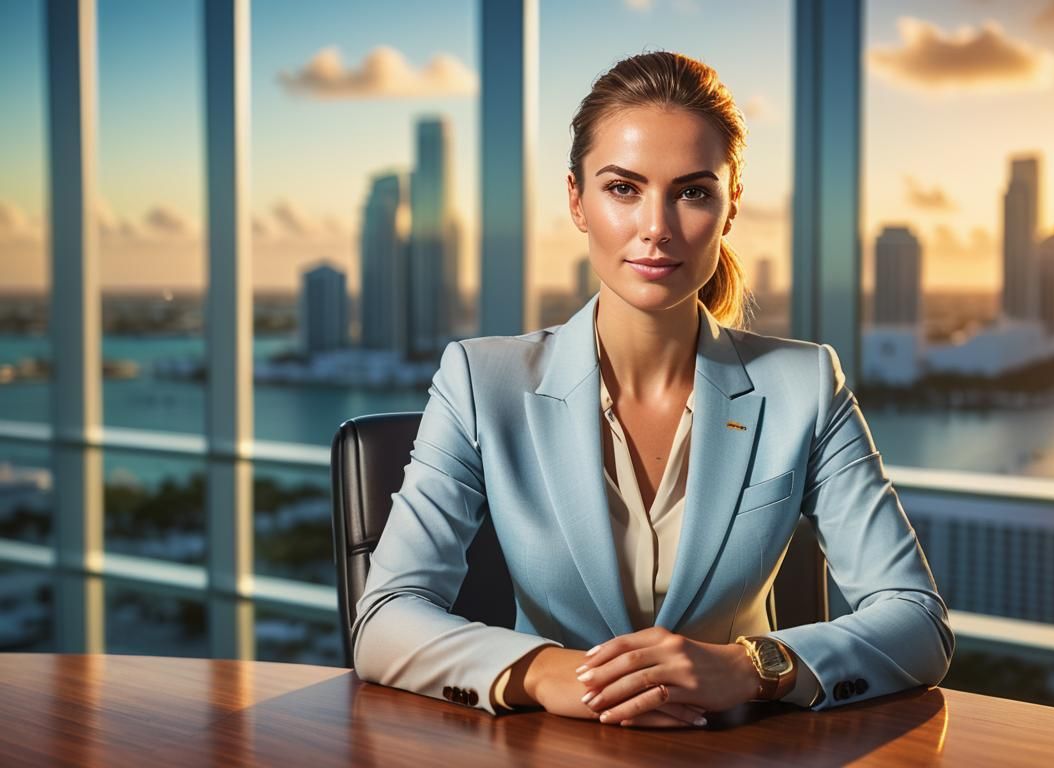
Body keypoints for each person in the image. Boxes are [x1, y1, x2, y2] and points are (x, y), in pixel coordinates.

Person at [352, 50, 953, 729]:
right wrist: (547, 674)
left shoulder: (805, 384)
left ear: (730, 207)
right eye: (623, 188)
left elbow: (916, 620)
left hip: (740, 752)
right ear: (576, 200)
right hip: (554, 748)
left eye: (692, 192)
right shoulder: (479, 381)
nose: (657, 227)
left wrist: (749, 668)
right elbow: (385, 618)